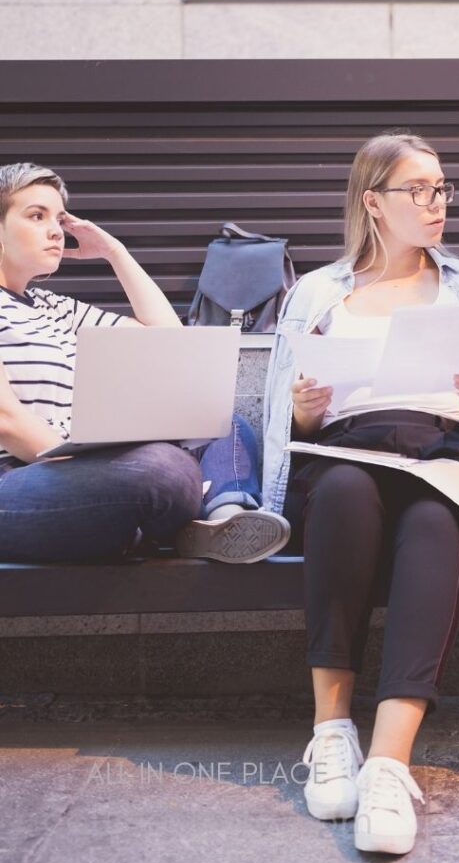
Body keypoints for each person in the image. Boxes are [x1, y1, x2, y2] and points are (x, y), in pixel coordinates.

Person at [262, 132, 459, 854]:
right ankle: (330, 733)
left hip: (443, 457)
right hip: (345, 450)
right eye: (418, 190)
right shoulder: (321, 291)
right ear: (373, 203)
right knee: (347, 490)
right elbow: (282, 417)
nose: (436, 203)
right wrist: (306, 409)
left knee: (436, 519)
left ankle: (387, 763)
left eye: (442, 187)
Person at [0, 162, 289, 564]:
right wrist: (95, 465)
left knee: (219, 421)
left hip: (77, 471)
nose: (56, 230)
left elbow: (168, 338)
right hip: (17, 479)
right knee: (159, 470)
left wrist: (114, 253)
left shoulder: (53, 306)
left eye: (59, 218)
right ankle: (164, 521)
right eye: (36, 216)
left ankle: (223, 522)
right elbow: (6, 419)